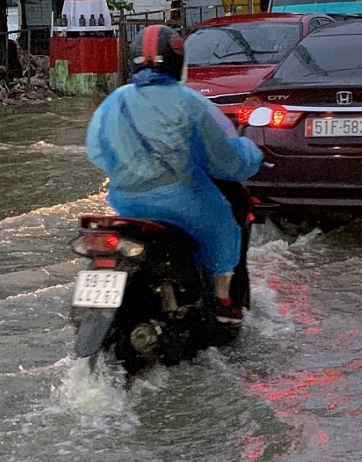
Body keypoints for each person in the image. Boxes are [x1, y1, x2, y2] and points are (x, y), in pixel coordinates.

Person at [85, 25, 263, 325]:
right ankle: (224, 303)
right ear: (177, 61)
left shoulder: (114, 101)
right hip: (184, 204)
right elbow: (224, 161)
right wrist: (251, 154)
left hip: (126, 204)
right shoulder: (190, 102)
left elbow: (96, 152)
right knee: (225, 228)